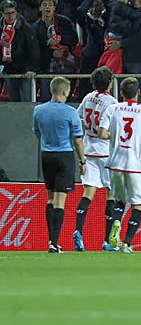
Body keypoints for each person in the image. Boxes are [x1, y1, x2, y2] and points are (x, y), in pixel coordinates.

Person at [98, 77, 141, 253]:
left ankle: (116, 224)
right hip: (135, 166)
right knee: (138, 205)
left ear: (121, 93)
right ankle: (127, 243)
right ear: (138, 93)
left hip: (115, 164)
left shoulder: (112, 109)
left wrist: (115, 135)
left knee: (118, 202)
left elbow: (101, 134)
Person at [32, 77, 86, 253]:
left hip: (46, 156)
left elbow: (37, 132)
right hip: (64, 156)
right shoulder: (71, 112)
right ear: (64, 92)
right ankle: (54, 243)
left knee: (50, 198)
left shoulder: (38, 110)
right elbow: (77, 140)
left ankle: (51, 240)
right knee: (60, 201)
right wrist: (83, 161)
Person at [74, 67, 118, 252]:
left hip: (89, 151)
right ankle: (107, 241)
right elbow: (114, 129)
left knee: (88, 194)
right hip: (106, 153)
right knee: (111, 194)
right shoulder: (112, 102)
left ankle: (78, 231)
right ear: (110, 82)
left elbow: (78, 118)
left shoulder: (87, 98)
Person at [1, 0, 39, 102]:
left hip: (24, 70)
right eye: (7, 13)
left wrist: (32, 68)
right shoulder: (1, 28)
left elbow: (33, 49)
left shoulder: (26, 28)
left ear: (16, 12)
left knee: (26, 100)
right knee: (14, 101)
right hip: (8, 70)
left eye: (13, 13)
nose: (10, 16)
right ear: (2, 14)